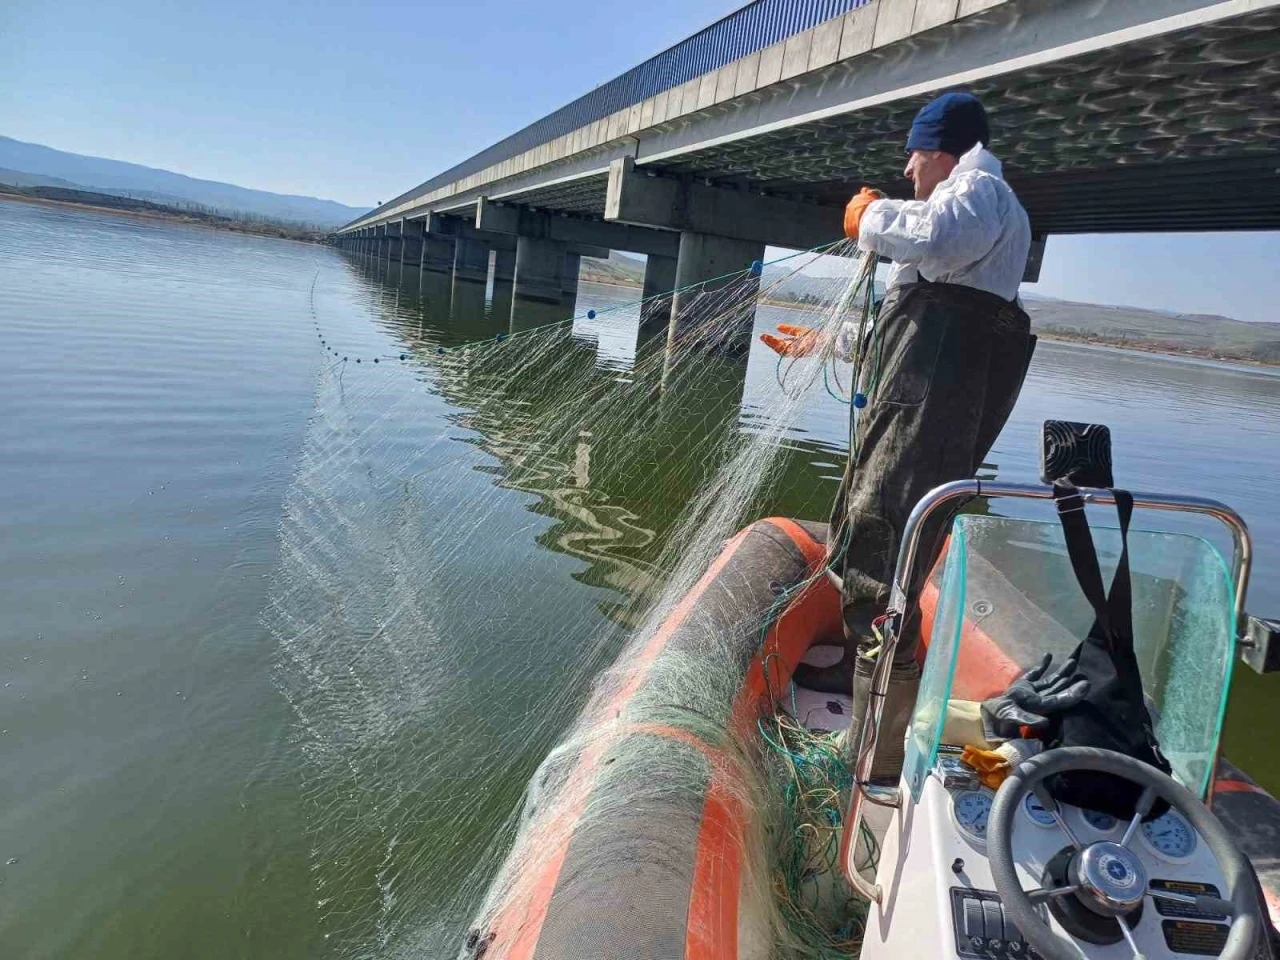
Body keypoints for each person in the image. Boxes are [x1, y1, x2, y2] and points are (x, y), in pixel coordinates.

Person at [763, 91, 1034, 779]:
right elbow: (904, 337)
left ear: (942, 152)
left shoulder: (980, 193)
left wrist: (870, 217)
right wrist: (824, 342)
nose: (908, 170)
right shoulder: (966, 232)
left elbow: (937, 236)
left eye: (914, 156)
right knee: (870, 530)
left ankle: (876, 749)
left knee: (887, 543)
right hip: (912, 404)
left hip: (927, 417)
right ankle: (861, 680)